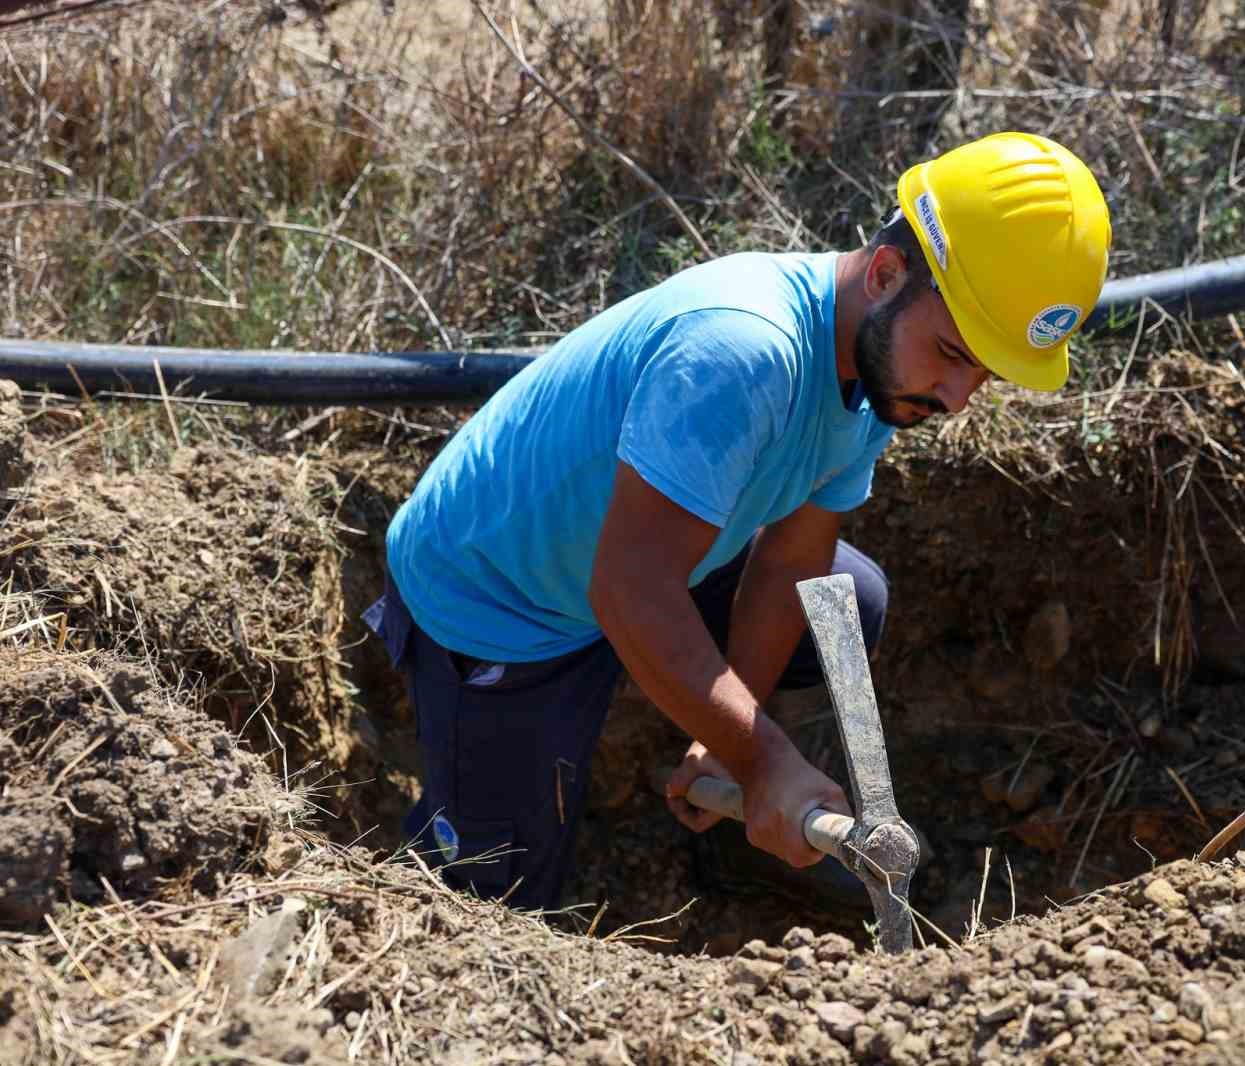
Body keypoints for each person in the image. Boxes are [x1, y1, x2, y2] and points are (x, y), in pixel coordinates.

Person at [365, 131, 1111, 911]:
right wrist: (762, 759)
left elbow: (794, 564)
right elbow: (628, 588)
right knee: (499, 901)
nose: (958, 398)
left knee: (846, 600)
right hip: (499, 597)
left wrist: (725, 745)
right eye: (954, 355)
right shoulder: (744, 350)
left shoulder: (880, 365)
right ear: (888, 274)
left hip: (633, 553)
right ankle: (451, 846)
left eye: (984, 374)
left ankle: (745, 819)